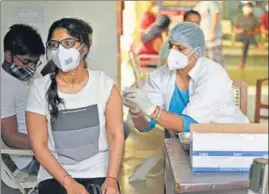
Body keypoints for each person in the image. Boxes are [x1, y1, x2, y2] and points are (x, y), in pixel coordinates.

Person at [25, 18, 124, 194]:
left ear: (84, 48)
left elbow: (116, 135)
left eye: (68, 43)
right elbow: (38, 145)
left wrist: (111, 179)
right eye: (54, 44)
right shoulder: (40, 88)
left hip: (99, 173)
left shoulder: (104, 85)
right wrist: (69, 184)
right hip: (55, 175)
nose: (60, 50)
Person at [123, 22, 249, 134]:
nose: (173, 52)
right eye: (171, 46)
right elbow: (145, 127)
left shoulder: (213, 74)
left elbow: (191, 125)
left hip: (228, 139)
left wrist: (151, 109)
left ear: (197, 52)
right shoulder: (160, 76)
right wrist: (136, 111)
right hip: (188, 141)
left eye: (181, 48)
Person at [1, 24, 45, 172]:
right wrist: (50, 144)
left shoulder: (30, 75)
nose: (32, 67)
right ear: (8, 56)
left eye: (35, 62)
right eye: (26, 62)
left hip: (44, 146)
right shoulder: (4, 87)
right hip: (29, 157)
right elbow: (11, 137)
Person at [194, 1, 224, 66]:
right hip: (202, 37)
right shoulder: (199, 5)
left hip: (213, 37)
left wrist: (213, 32)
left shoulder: (211, 3)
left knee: (215, 59)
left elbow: (215, 16)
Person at [234, 2, 262, 69]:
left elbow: (258, 30)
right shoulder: (239, 17)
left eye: (249, 7)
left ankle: (242, 63)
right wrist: (239, 30)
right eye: (246, 6)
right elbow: (234, 29)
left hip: (249, 36)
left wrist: (252, 32)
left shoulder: (254, 18)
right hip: (240, 36)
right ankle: (257, 44)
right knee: (248, 38)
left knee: (247, 41)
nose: (247, 8)